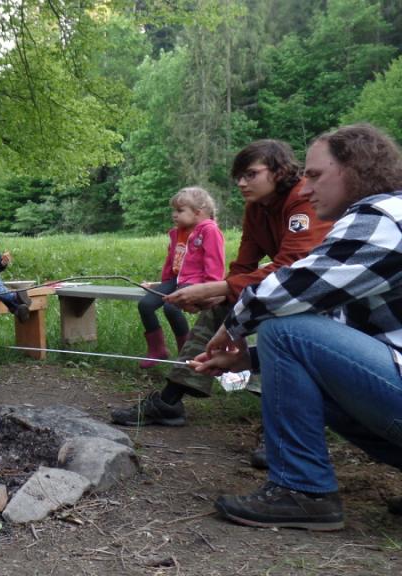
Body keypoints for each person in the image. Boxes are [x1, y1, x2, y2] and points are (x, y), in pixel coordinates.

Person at [194, 123, 402, 531]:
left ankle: (303, 489)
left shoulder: (383, 218)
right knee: (288, 341)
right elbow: (345, 343)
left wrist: (233, 330)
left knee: (282, 329)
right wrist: (247, 360)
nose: (305, 189)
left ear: (355, 170)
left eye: (316, 175)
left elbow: (289, 289)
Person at [111, 140, 332, 458]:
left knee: (278, 327)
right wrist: (220, 295)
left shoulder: (302, 199)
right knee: (222, 309)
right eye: (239, 176)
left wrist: (217, 289)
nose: (242, 183)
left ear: (279, 170)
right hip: (287, 288)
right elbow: (244, 265)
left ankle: (282, 430)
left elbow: (293, 266)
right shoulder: (256, 208)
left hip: (322, 295)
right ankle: (169, 403)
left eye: (251, 174)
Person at [136, 187, 225, 368]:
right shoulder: (177, 232)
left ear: (198, 213)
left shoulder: (209, 231)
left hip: (197, 282)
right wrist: (162, 283)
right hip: (176, 280)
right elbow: (171, 261)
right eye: (174, 210)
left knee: (171, 307)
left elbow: (214, 261)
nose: (174, 215)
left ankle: (184, 354)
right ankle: (157, 349)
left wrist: (209, 289)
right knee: (145, 305)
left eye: (179, 210)